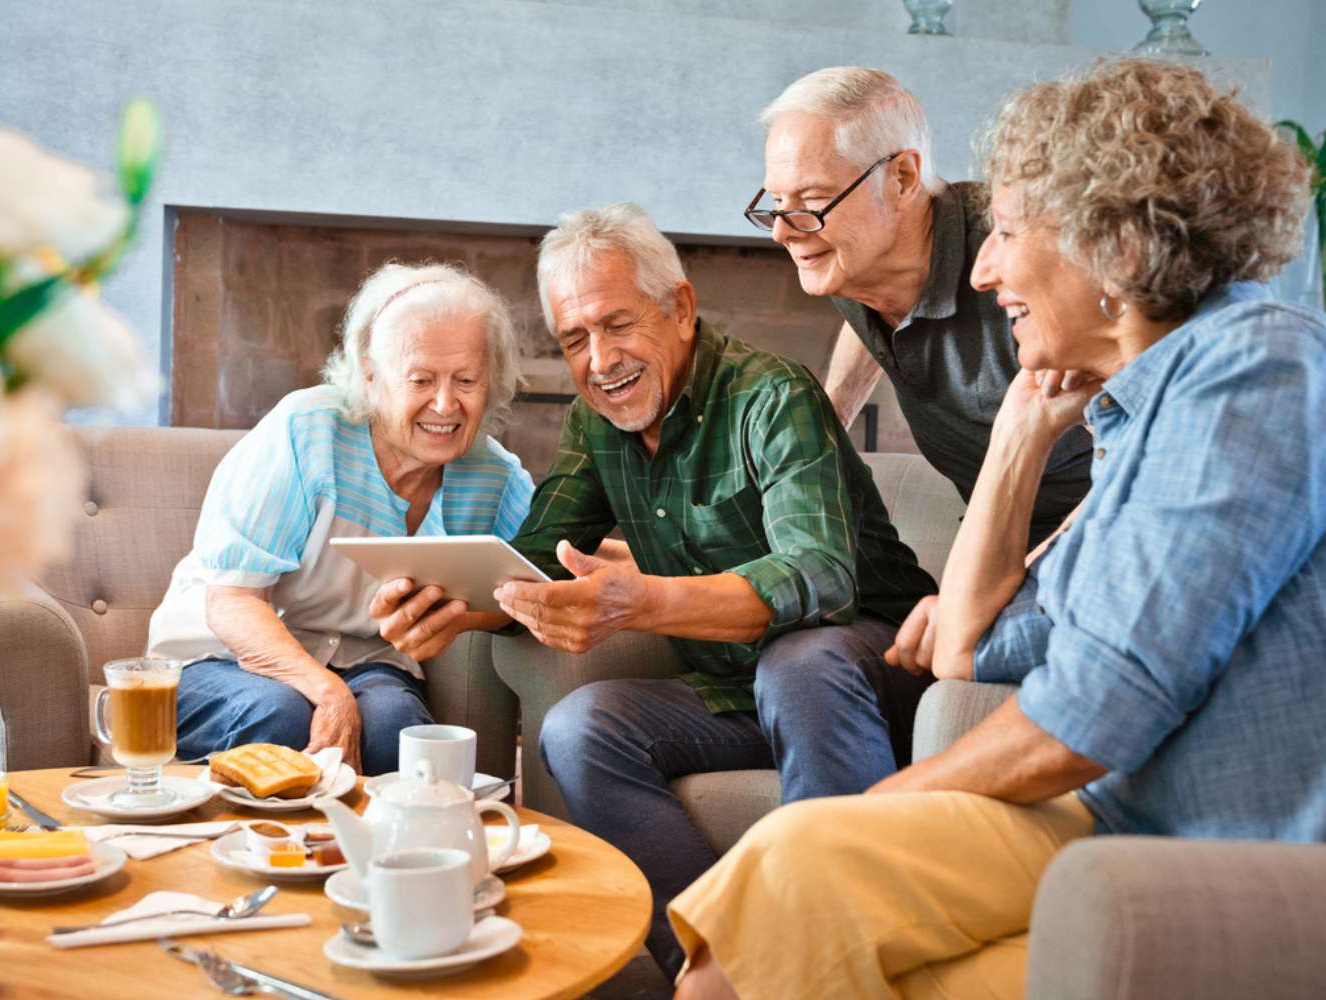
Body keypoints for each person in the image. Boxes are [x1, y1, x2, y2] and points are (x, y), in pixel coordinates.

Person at [671, 59, 1326, 1000]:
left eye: (1007, 231)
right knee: (770, 923)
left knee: (801, 882)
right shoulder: (1140, 419)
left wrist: (872, 813)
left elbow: (1097, 710)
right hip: (1123, 824)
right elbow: (974, 648)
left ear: (1118, 249)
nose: (982, 267)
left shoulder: (1261, 370)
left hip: (1249, 848)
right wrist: (1018, 426)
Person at [373, 202, 936, 975]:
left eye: (616, 324)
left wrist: (644, 599)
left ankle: (835, 960)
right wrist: (452, 608)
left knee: (799, 662)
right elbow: (538, 558)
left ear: (680, 308)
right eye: (575, 340)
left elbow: (820, 575)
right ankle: (716, 966)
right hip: (738, 691)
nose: (600, 359)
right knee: (581, 727)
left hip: (877, 672)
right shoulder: (596, 423)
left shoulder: (771, 397)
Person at [145, 262, 533, 775]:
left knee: (399, 732)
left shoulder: (495, 478)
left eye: (466, 380)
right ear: (371, 377)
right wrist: (328, 694)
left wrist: (460, 618)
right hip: (218, 658)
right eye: (420, 379)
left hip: (367, 663)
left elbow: (529, 586)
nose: (446, 404)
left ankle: (387, 855)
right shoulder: (308, 433)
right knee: (282, 717)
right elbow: (233, 601)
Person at [752, 66, 1091, 550]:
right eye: (778, 202)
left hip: (1092, 539)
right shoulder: (848, 258)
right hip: (999, 540)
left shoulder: (1016, 258)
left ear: (903, 178)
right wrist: (829, 426)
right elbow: (866, 311)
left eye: (812, 199)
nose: (783, 231)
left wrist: (1024, 579)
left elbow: (1142, 452)